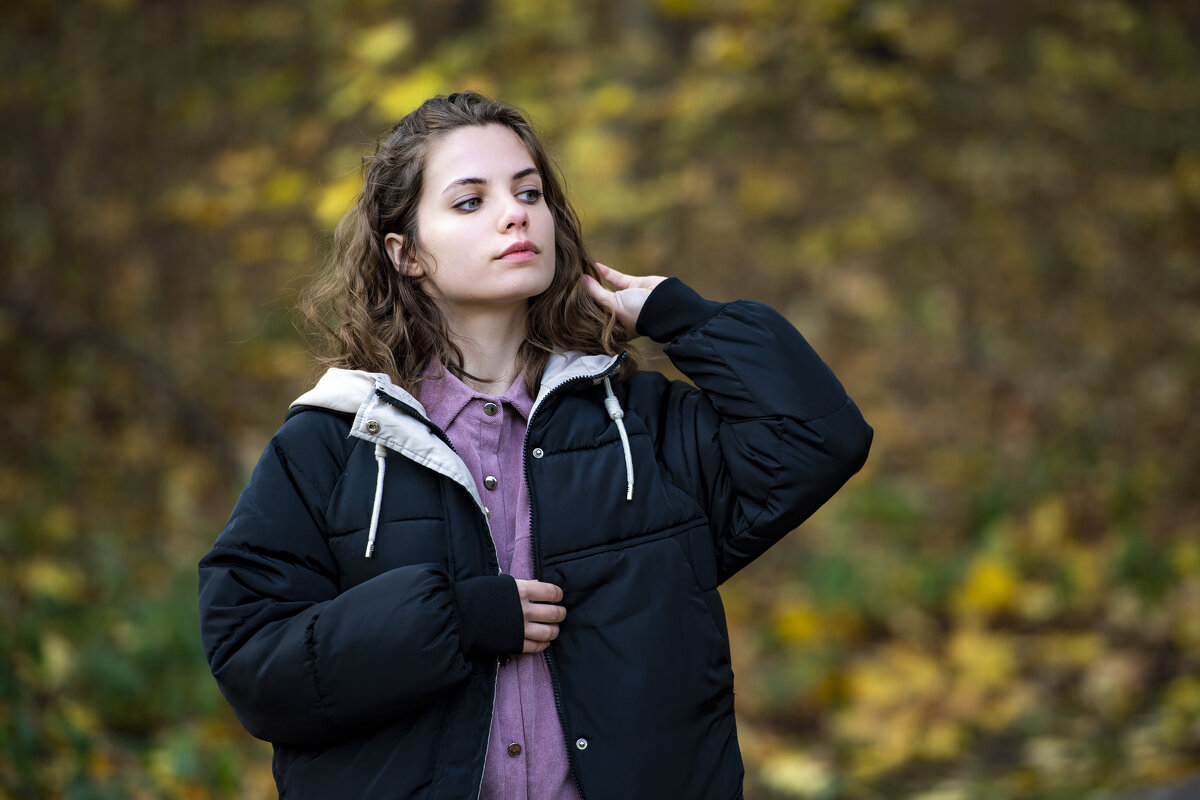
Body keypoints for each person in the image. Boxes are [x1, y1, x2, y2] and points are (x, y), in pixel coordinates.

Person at [198, 91, 872, 800]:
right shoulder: (335, 442)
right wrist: (450, 621)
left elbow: (816, 439)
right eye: (470, 202)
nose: (516, 213)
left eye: (529, 192)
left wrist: (683, 317)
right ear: (406, 253)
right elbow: (255, 663)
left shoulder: (636, 424)